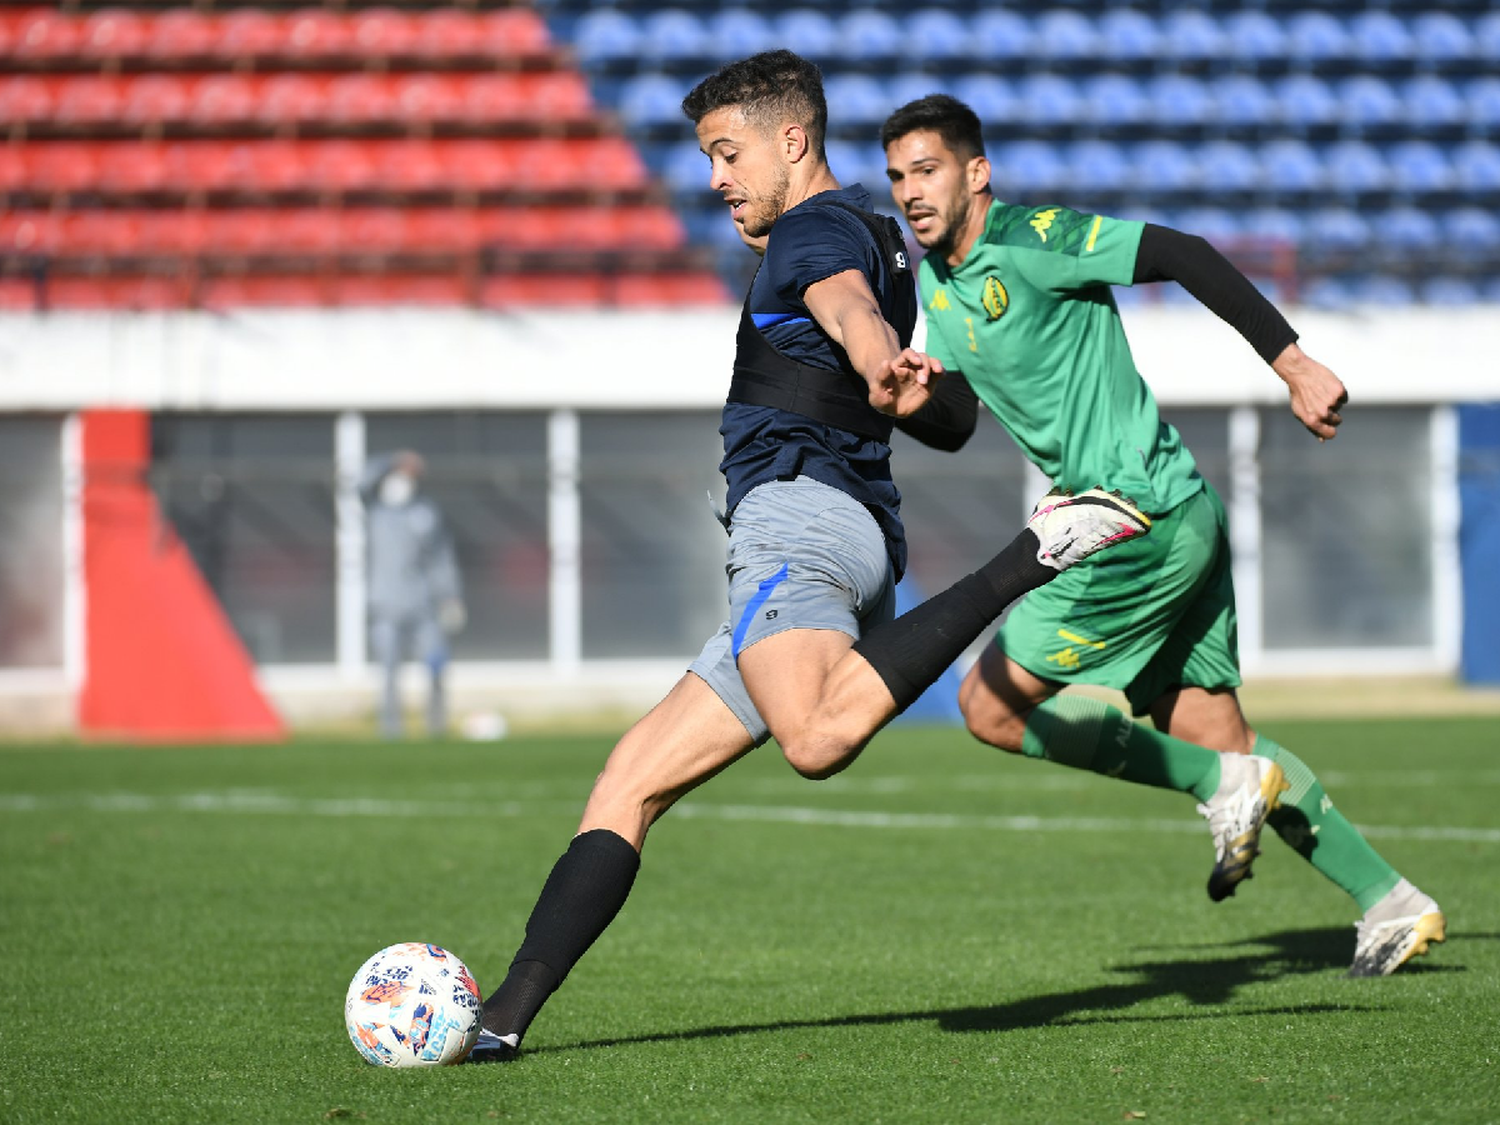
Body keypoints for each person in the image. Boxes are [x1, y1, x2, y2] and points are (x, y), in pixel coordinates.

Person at [466, 51, 1152, 1063]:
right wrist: (902, 380)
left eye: (727, 152)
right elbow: (948, 415)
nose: (716, 180)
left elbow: (843, 306)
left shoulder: (815, 231)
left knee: (816, 741)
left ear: (793, 140)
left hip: (797, 526)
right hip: (836, 539)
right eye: (708, 159)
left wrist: (879, 358)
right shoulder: (885, 238)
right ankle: (499, 1022)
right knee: (629, 782)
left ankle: (1037, 549)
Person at [879, 94, 1445, 978]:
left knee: (988, 704)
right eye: (898, 176)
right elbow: (957, 423)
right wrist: (912, 406)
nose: (911, 190)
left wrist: (1291, 361)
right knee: (1224, 741)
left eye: (927, 169)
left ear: (975, 172)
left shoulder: (1035, 237)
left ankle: (1212, 788)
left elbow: (1181, 252)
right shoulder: (940, 292)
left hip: (1128, 519)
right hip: (1175, 513)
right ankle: (1391, 900)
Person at [359, 450, 466, 739]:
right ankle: (391, 730)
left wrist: (451, 597)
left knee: (435, 666)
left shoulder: (425, 513)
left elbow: (442, 559)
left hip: (424, 606)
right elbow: (359, 480)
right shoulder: (375, 512)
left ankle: (436, 726)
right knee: (389, 672)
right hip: (384, 607)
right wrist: (391, 460)